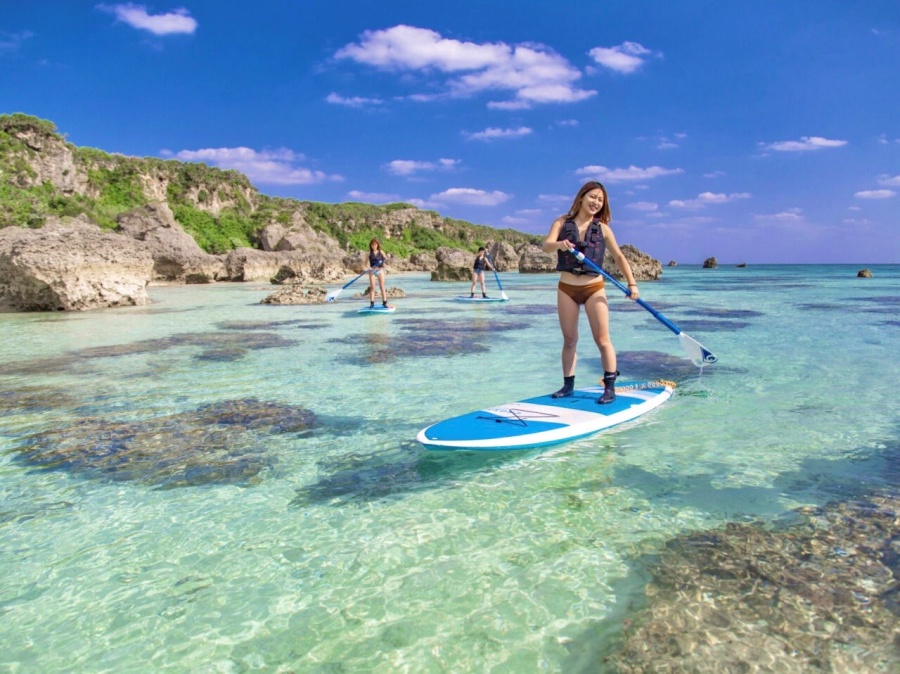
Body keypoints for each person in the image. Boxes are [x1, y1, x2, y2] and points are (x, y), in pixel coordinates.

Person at [541, 181, 639, 404]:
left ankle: (610, 387)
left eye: (600, 200)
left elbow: (619, 257)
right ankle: (567, 386)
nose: (596, 202)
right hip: (567, 289)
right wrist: (559, 245)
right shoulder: (561, 222)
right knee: (569, 340)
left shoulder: (603, 229)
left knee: (603, 340)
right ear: (582, 197)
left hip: (594, 288)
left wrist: (632, 284)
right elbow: (546, 245)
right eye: (593, 197)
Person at [367, 238, 391, 308]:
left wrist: (386, 258)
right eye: (372, 245)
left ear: (377, 245)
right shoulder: (369, 253)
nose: (373, 246)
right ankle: (372, 304)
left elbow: (385, 258)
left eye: (375, 245)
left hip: (380, 270)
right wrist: (369, 268)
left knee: (382, 287)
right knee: (372, 288)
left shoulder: (381, 252)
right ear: (371, 245)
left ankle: (384, 303)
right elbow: (366, 264)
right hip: (372, 271)